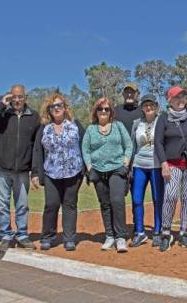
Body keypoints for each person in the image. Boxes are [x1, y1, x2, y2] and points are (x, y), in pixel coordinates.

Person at [0, 84, 40, 255]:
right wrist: (1, 105)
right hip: (1, 168)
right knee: (2, 205)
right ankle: (6, 235)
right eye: (13, 96)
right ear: (9, 97)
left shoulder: (33, 117)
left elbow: (36, 147)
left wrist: (34, 170)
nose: (17, 100)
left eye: (20, 96)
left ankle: (22, 235)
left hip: (22, 170)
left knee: (22, 205)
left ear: (25, 98)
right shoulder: (2, 114)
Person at [32, 94, 85, 251]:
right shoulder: (44, 128)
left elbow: (85, 146)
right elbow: (37, 151)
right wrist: (36, 173)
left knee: (69, 205)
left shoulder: (76, 126)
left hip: (73, 173)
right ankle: (48, 236)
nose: (56, 108)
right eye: (52, 106)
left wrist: (84, 171)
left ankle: (69, 238)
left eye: (59, 105)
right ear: (48, 110)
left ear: (65, 108)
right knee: (51, 204)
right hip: (51, 173)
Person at [82, 97, 133, 253]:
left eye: (106, 109)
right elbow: (85, 149)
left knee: (117, 201)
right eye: (100, 109)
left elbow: (128, 145)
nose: (103, 111)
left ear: (111, 112)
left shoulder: (118, 126)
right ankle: (109, 235)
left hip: (117, 169)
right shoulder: (90, 129)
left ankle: (120, 237)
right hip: (97, 171)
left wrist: (125, 163)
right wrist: (90, 167)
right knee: (105, 204)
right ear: (95, 112)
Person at [155, 86, 187, 252]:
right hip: (172, 163)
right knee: (171, 195)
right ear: (169, 100)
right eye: (176, 97)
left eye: (182, 97)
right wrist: (163, 163)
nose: (180, 100)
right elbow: (158, 142)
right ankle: (166, 232)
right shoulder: (163, 118)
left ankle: (184, 232)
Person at [129, 94, 164, 248]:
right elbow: (132, 146)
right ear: (142, 108)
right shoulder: (137, 123)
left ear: (156, 106)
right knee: (137, 200)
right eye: (145, 105)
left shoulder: (162, 121)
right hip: (139, 165)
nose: (148, 108)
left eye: (151, 105)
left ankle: (157, 232)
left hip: (156, 166)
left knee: (157, 199)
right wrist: (129, 166)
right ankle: (140, 232)